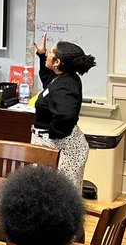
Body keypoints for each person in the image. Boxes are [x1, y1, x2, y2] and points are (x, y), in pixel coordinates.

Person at [33, 35, 97, 191]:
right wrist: (42, 56)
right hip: (55, 145)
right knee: (45, 193)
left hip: (64, 148)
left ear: (57, 63)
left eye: (50, 52)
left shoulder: (66, 85)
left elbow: (66, 116)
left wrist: (50, 134)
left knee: (62, 196)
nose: (48, 52)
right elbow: (48, 81)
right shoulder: (61, 78)